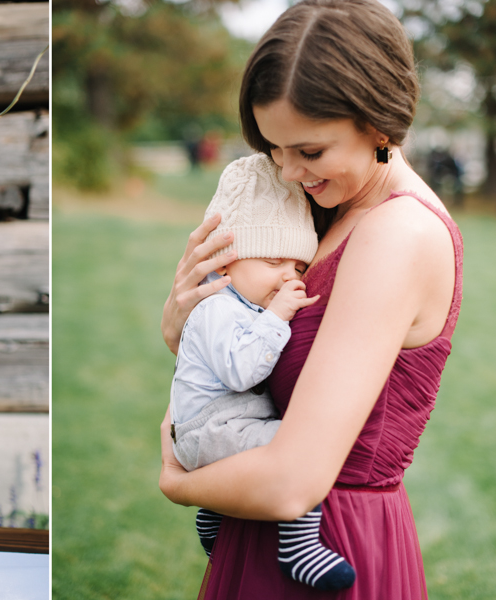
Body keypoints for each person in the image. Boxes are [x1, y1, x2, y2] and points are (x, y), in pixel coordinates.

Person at [157, 1, 462, 598]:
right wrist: (184, 330)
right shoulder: (329, 210)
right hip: (259, 519)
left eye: (311, 151)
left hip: (327, 542)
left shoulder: (397, 235)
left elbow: (293, 480)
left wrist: (176, 481)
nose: (290, 173)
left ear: (380, 126)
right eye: (275, 149)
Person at [170, 153, 356, 591]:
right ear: (225, 263)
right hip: (206, 429)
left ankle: (211, 515)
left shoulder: (246, 304)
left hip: (225, 424)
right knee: (298, 447)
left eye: (297, 268)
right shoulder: (216, 308)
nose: (285, 279)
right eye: (273, 262)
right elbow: (241, 373)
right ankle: (298, 546)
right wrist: (276, 318)